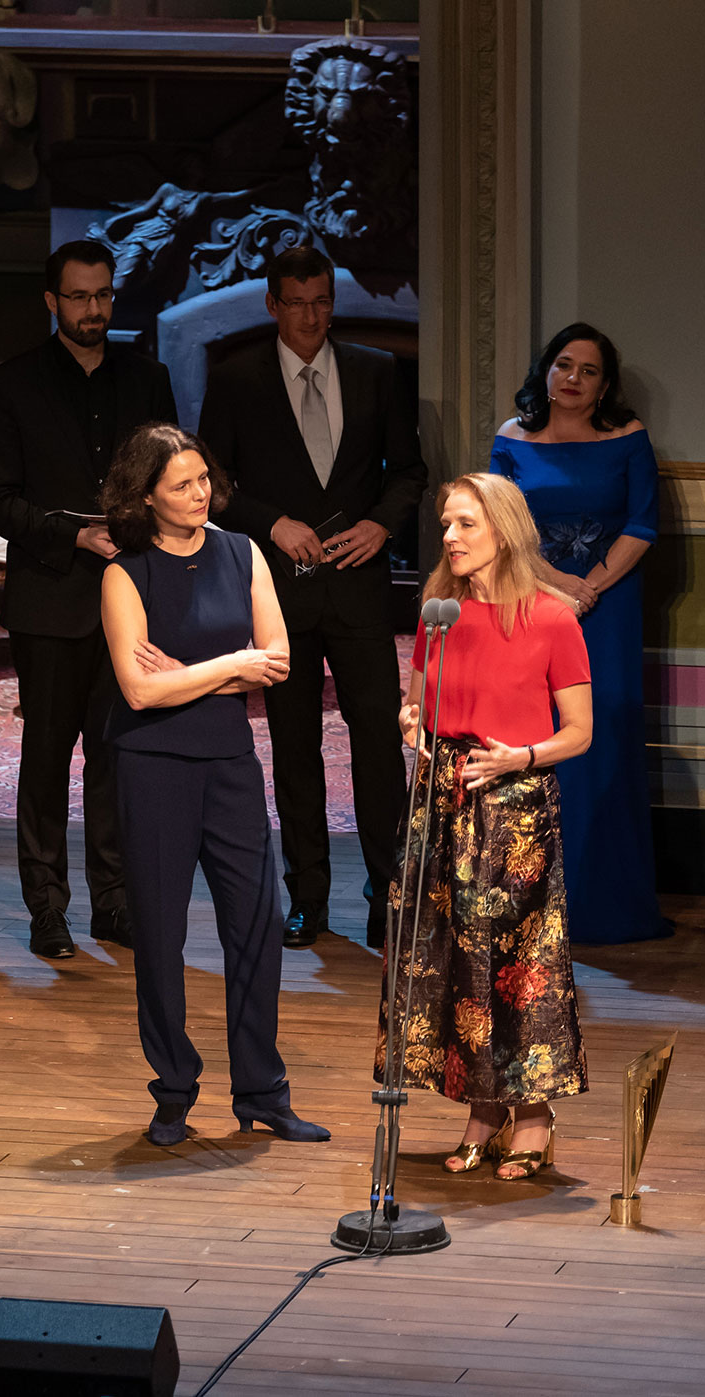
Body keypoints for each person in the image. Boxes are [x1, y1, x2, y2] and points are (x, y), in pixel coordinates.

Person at [100, 423, 327, 1149]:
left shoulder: (242, 551)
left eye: (203, 478)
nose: (199, 493)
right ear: (145, 496)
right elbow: (140, 691)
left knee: (256, 925)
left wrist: (189, 675)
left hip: (230, 762)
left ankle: (262, 1091)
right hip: (152, 766)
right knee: (160, 933)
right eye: (181, 485)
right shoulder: (125, 573)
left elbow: (278, 661)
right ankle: (173, 1090)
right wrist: (232, 666)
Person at [196, 247, 426, 950]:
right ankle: (307, 897)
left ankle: (388, 895)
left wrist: (381, 524)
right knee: (294, 748)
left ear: (333, 302)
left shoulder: (376, 370)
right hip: (280, 596)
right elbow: (213, 484)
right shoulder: (236, 378)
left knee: (379, 746)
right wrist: (272, 523)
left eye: (321, 302)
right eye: (295, 304)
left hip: (359, 590)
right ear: (273, 305)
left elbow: (409, 471)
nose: (309, 316)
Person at [0, 238, 176, 959]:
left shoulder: (148, 378)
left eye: (103, 295)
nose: (94, 309)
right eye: (80, 296)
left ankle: (113, 903)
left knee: (117, 756)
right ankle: (47, 907)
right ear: (51, 300)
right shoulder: (12, 384)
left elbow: (174, 478)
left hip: (132, 598)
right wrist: (73, 536)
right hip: (51, 596)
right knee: (47, 757)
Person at [387, 472, 593, 1182]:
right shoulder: (438, 613)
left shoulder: (552, 617)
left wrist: (519, 756)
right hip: (440, 796)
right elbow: (417, 704)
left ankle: (533, 1112)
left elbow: (580, 732)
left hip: (513, 800)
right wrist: (411, 723)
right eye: (446, 523)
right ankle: (482, 1106)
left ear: (504, 531)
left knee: (517, 961)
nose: (450, 536)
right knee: (451, 956)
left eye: (466, 523)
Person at [491, 323, 672, 945]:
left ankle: (603, 906)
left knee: (603, 739)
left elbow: (642, 525)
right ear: (545, 371)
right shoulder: (511, 438)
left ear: (604, 385)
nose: (573, 378)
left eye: (588, 370)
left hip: (608, 611)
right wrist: (556, 584)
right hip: (530, 604)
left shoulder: (628, 437)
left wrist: (588, 586)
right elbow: (499, 527)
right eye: (563, 364)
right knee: (534, 740)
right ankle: (529, 907)